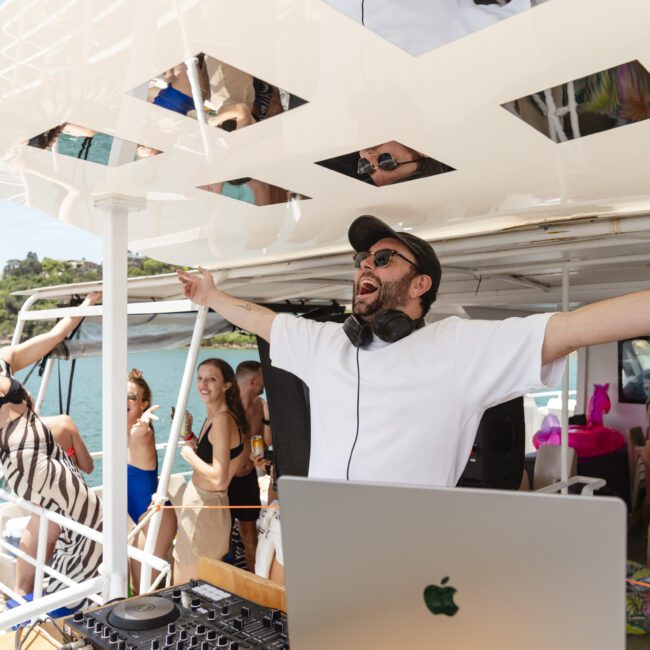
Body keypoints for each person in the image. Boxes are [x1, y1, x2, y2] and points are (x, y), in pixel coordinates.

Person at [177, 214, 650, 487]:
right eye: (362, 260)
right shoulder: (323, 345)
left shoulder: (458, 346)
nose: (366, 265)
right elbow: (262, 320)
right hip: (323, 553)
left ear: (420, 284)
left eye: (383, 259)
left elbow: (572, 329)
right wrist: (211, 297)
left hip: (408, 565)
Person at [0, 292, 103, 609]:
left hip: (49, 452)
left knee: (83, 519)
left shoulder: (5, 358)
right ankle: (69, 602)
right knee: (88, 518)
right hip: (25, 463)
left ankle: (61, 599)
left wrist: (86, 305)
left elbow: (56, 335)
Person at [173, 358, 246, 583]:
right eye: (200, 378)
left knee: (185, 584)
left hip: (205, 510)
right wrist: (189, 436)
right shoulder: (217, 417)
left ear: (226, 385)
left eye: (211, 379)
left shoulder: (223, 420)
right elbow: (215, 456)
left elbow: (219, 479)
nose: (203, 384)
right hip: (207, 508)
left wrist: (188, 455)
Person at [15, 415, 94, 595]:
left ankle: (23, 621)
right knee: (74, 585)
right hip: (76, 510)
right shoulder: (64, 423)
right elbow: (88, 467)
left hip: (44, 512)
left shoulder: (14, 436)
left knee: (22, 587)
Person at [126, 369, 177, 594]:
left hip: (156, 519)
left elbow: (140, 433)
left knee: (146, 591)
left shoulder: (141, 434)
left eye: (131, 397)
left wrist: (142, 424)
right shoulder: (121, 433)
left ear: (144, 404)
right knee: (137, 587)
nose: (123, 401)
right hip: (142, 520)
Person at [231, 360, 264, 571]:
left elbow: (260, 439)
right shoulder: (228, 408)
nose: (266, 383)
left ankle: (256, 586)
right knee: (222, 540)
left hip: (249, 477)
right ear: (253, 381)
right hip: (228, 482)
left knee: (250, 536)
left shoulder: (260, 405)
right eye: (263, 378)